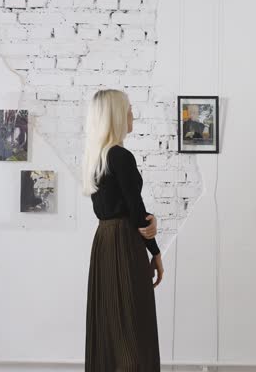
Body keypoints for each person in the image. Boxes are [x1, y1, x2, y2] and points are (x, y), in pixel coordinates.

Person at [81, 89, 164, 371]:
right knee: (132, 322)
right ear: (116, 116)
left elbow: (120, 206)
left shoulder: (97, 157)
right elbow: (134, 209)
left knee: (111, 323)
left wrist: (146, 217)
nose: (132, 114)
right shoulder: (120, 155)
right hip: (124, 244)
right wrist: (155, 251)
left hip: (104, 242)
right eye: (128, 109)